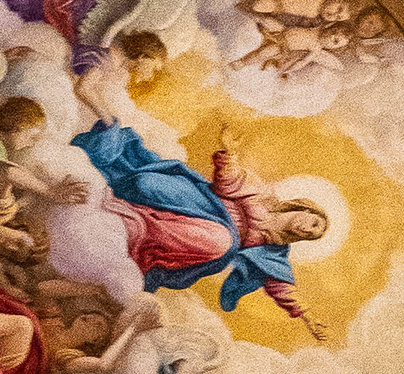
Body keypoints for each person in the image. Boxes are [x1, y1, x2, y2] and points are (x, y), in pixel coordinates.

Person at [71, 107, 325, 331]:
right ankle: (119, 196)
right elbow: (228, 182)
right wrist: (230, 153)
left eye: (311, 235)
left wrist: (307, 316)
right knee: (144, 183)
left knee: (220, 241)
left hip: (205, 238)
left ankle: (132, 225)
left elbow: (282, 287)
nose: (307, 229)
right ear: (306, 209)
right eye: (314, 223)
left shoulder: (273, 251)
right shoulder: (264, 197)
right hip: (203, 203)